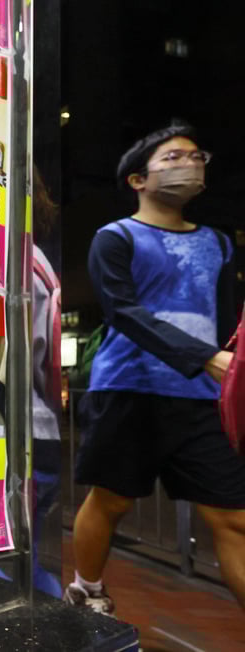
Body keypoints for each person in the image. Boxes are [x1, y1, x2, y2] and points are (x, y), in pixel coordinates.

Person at [66, 122, 245, 615]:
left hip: (203, 400)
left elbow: (227, 322)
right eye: (172, 157)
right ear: (138, 180)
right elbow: (123, 312)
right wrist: (206, 358)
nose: (189, 164)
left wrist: (228, 367)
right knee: (112, 501)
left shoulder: (219, 243)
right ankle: (88, 588)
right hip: (130, 388)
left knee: (233, 519)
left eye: (195, 155)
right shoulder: (116, 238)